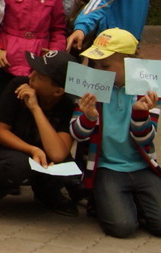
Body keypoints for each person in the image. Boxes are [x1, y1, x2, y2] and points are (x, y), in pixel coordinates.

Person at [0, 51, 79, 216]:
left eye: (39, 76)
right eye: (33, 71)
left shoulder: (67, 103)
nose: (31, 76)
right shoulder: (19, 85)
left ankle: (47, 194)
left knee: (64, 166)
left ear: (58, 91)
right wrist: (32, 150)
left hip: (41, 152)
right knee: (20, 164)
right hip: (2, 148)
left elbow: (58, 153)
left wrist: (35, 109)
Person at [69, 29, 161, 238]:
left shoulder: (148, 89)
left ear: (129, 63)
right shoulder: (91, 88)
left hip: (142, 166)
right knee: (122, 227)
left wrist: (140, 113)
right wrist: (89, 116)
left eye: (105, 66)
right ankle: (111, 201)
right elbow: (77, 134)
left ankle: (135, 203)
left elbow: (146, 138)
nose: (99, 71)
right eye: (96, 65)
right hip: (107, 167)